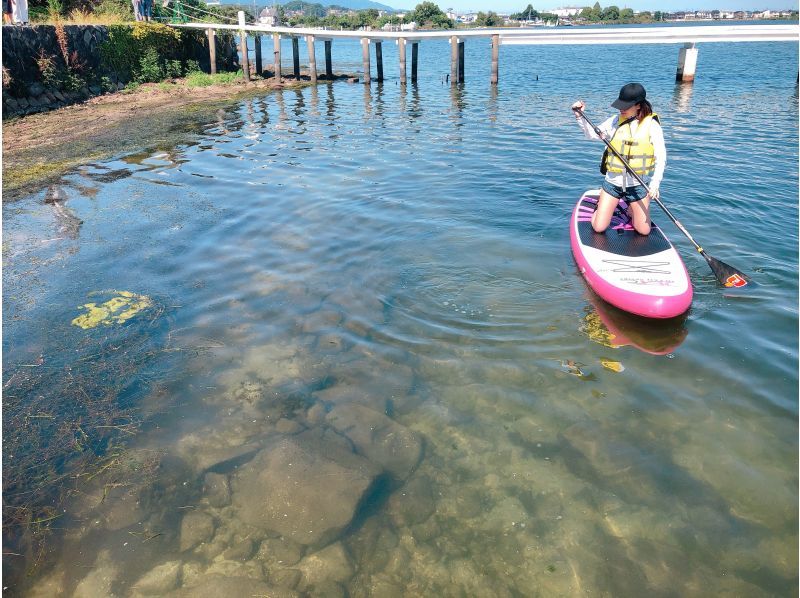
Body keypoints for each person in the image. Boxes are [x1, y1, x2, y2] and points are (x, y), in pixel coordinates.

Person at [571, 82, 666, 236]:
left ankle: (631, 208)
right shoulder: (615, 121)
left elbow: (661, 156)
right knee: (599, 227)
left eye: (626, 106)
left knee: (644, 231)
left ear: (638, 106)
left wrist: (655, 184)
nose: (621, 109)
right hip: (612, 184)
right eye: (620, 105)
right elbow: (592, 134)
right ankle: (601, 204)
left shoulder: (652, 126)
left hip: (637, 185)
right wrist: (579, 116)